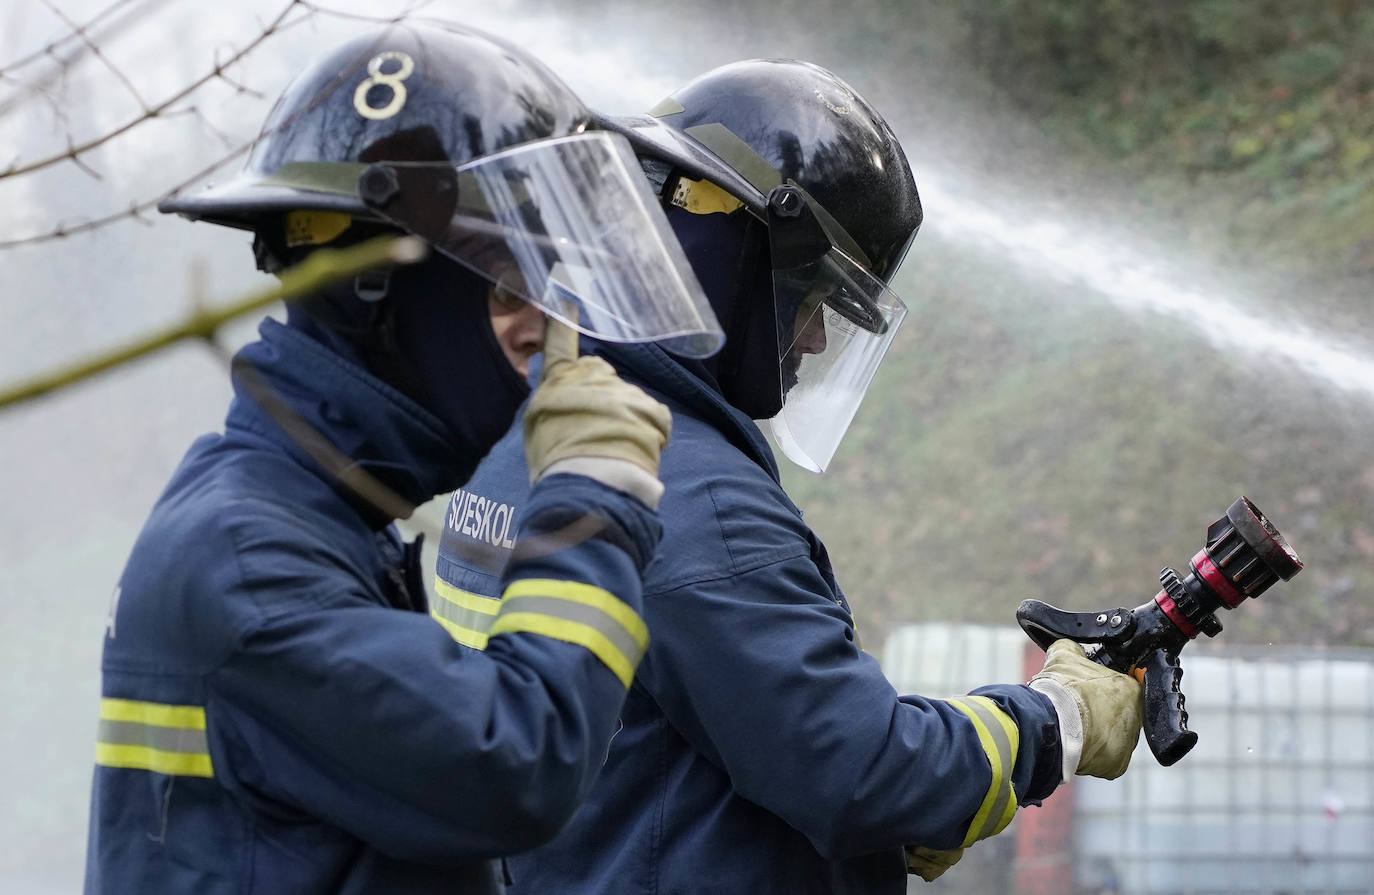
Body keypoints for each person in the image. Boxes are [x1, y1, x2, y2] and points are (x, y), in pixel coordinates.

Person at [434, 59, 1144, 893]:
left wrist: (889, 805)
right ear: (729, 260)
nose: (810, 342)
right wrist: (1057, 716)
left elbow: (697, 744)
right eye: (810, 296)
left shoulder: (523, 441)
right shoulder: (692, 502)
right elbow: (863, 775)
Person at [84, 22, 725, 895]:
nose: (540, 329)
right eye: (506, 285)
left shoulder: (309, 516)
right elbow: (516, 766)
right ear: (375, 289)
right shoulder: (251, 561)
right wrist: (593, 499)